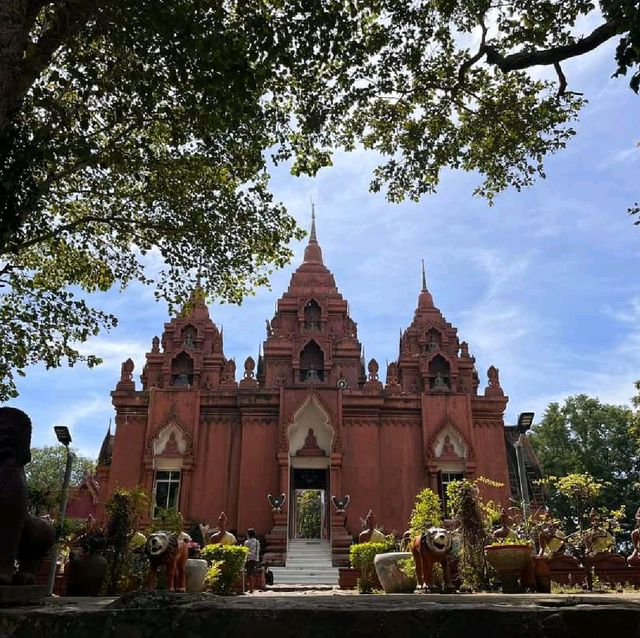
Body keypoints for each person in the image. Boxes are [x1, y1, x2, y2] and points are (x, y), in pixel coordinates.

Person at [244, 528, 261, 593]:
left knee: (249, 575)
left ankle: (251, 589)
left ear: (248, 534)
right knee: (253, 574)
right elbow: (258, 550)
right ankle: (252, 588)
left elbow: (245, 551)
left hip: (249, 560)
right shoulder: (257, 542)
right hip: (256, 560)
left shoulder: (247, 542)